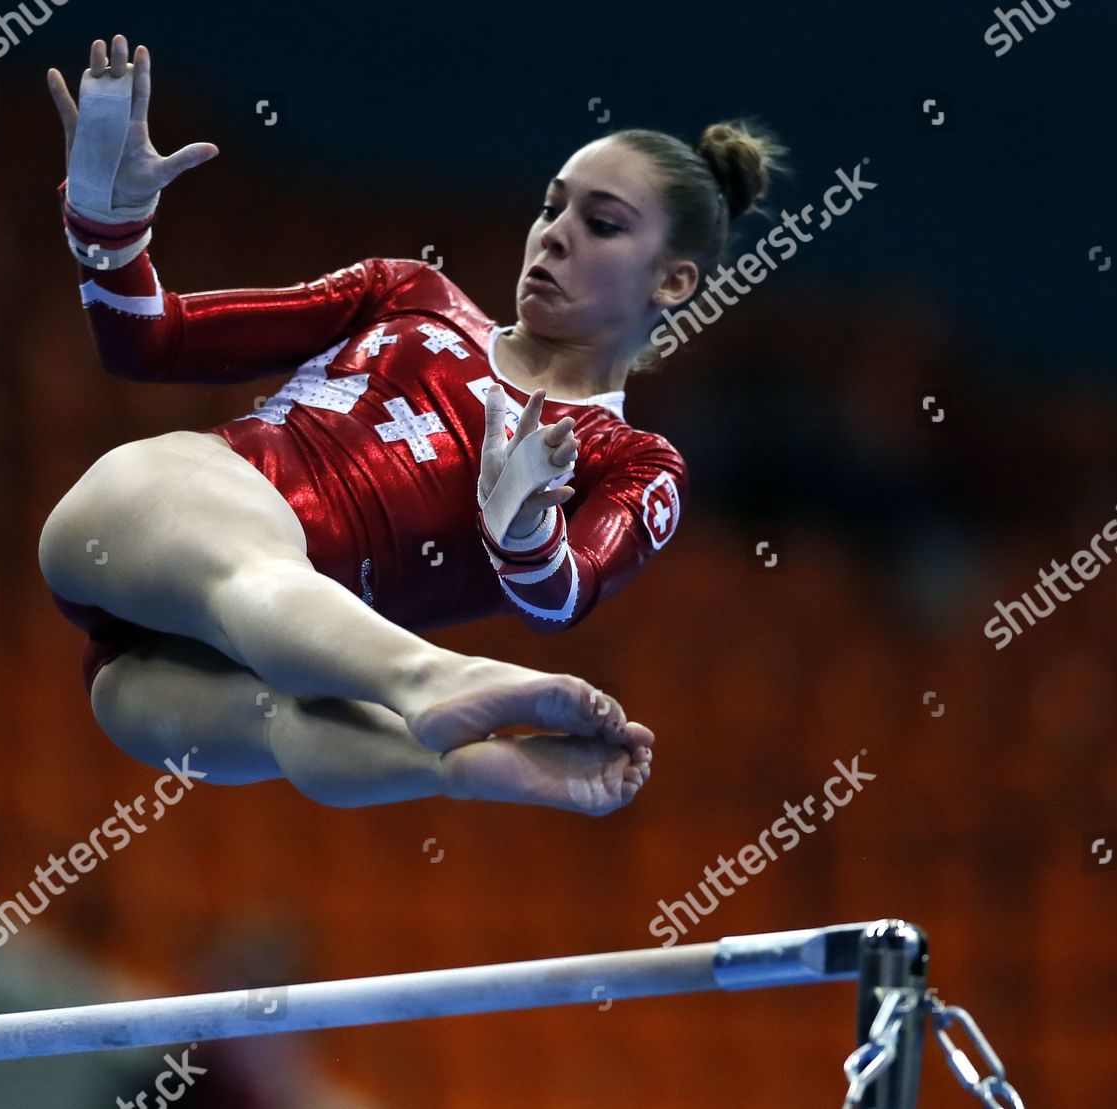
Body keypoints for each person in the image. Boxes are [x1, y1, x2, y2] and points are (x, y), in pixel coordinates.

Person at [39, 35, 784, 817]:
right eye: (550, 204)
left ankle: (471, 767)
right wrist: (109, 228)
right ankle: (432, 678)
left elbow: (562, 599)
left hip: (198, 667)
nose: (555, 232)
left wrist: (522, 530)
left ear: (673, 279)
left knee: (289, 721)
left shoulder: (632, 460)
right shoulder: (408, 293)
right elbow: (152, 343)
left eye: (601, 224)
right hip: (161, 513)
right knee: (263, 583)